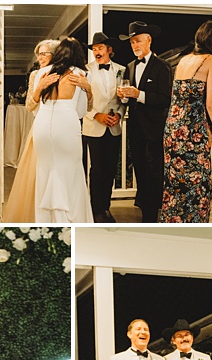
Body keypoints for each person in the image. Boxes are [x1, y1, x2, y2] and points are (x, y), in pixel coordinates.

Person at [159, 20, 212, 223]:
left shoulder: (184, 60)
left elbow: (177, 100)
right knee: (196, 188)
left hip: (173, 131)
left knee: (174, 189)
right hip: (192, 134)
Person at [32, 36, 94, 223]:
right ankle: (70, 220)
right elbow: (82, 110)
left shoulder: (43, 73)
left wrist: (41, 88)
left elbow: (34, 104)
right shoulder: (80, 74)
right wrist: (88, 89)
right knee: (70, 172)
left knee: (45, 170)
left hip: (41, 125)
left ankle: (46, 221)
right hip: (66, 125)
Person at [117, 21, 172, 223]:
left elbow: (165, 99)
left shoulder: (162, 67)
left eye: (138, 41)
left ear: (149, 40)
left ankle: (152, 215)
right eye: (132, 43)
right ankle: (145, 209)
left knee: (153, 172)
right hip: (136, 129)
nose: (134, 46)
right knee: (140, 169)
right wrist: (123, 96)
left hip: (155, 130)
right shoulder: (129, 67)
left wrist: (139, 94)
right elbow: (126, 99)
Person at [2, 39, 57, 223]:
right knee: (35, 170)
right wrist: (40, 87)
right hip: (40, 124)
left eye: (44, 53)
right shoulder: (35, 75)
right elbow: (29, 105)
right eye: (39, 54)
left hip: (59, 127)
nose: (40, 57)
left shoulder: (63, 72)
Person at [82, 32, 125, 224]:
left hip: (113, 128)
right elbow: (80, 100)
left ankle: (105, 208)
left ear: (109, 50)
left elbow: (123, 100)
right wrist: (95, 115)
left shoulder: (122, 70)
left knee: (110, 170)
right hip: (93, 127)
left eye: (100, 48)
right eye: (94, 49)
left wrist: (119, 115)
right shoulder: (85, 70)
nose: (96, 52)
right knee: (97, 169)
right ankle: (94, 209)